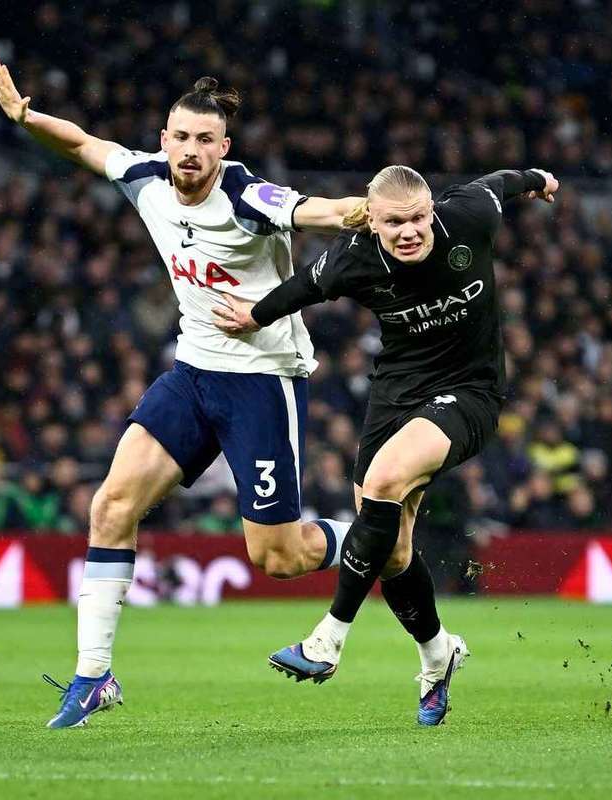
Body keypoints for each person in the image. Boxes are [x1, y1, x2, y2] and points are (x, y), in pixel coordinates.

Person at [0, 59, 363, 728]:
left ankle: (373, 534)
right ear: (165, 139)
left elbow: (314, 212)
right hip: (191, 375)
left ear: (224, 149)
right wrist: (24, 117)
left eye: (204, 141)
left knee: (279, 558)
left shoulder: (250, 198)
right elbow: (81, 144)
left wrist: (367, 211)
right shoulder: (144, 178)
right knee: (111, 505)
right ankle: (92, 678)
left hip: (262, 384)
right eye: (181, 138)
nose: (190, 151)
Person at [214, 164, 559, 724]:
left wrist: (536, 179)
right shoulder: (354, 256)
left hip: (469, 393)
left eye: (418, 218)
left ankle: (327, 639)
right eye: (395, 222)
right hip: (395, 395)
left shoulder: (467, 216)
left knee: (383, 482)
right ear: (371, 221)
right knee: (393, 549)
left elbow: (499, 184)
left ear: (432, 211)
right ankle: (438, 655)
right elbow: (305, 286)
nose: (410, 232)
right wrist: (254, 315)